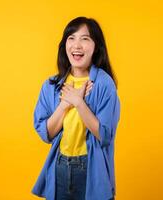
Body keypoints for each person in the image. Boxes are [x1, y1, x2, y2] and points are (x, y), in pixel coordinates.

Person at [31, 16, 121, 200]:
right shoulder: (51, 85)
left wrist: (80, 103)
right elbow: (45, 133)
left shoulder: (104, 84)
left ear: (96, 46)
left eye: (85, 38)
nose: (77, 45)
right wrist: (66, 103)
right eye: (71, 38)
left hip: (90, 169)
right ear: (64, 45)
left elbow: (104, 135)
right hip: (60, 167)